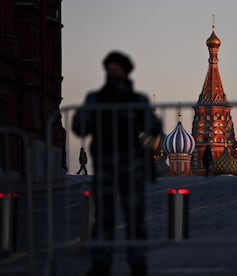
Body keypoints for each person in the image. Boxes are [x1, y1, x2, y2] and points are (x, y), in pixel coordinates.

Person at [72, 51, 162, 276]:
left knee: (134, 218)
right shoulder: (96, 98)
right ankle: (101, 263)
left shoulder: (137, 100)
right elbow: (79, 127)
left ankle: (137, 263)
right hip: (104, 166)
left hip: (131, 166)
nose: (112, 74)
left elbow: (153, 127)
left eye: (116, 70)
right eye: (109, 69)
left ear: (125, 72)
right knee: (103, 218)